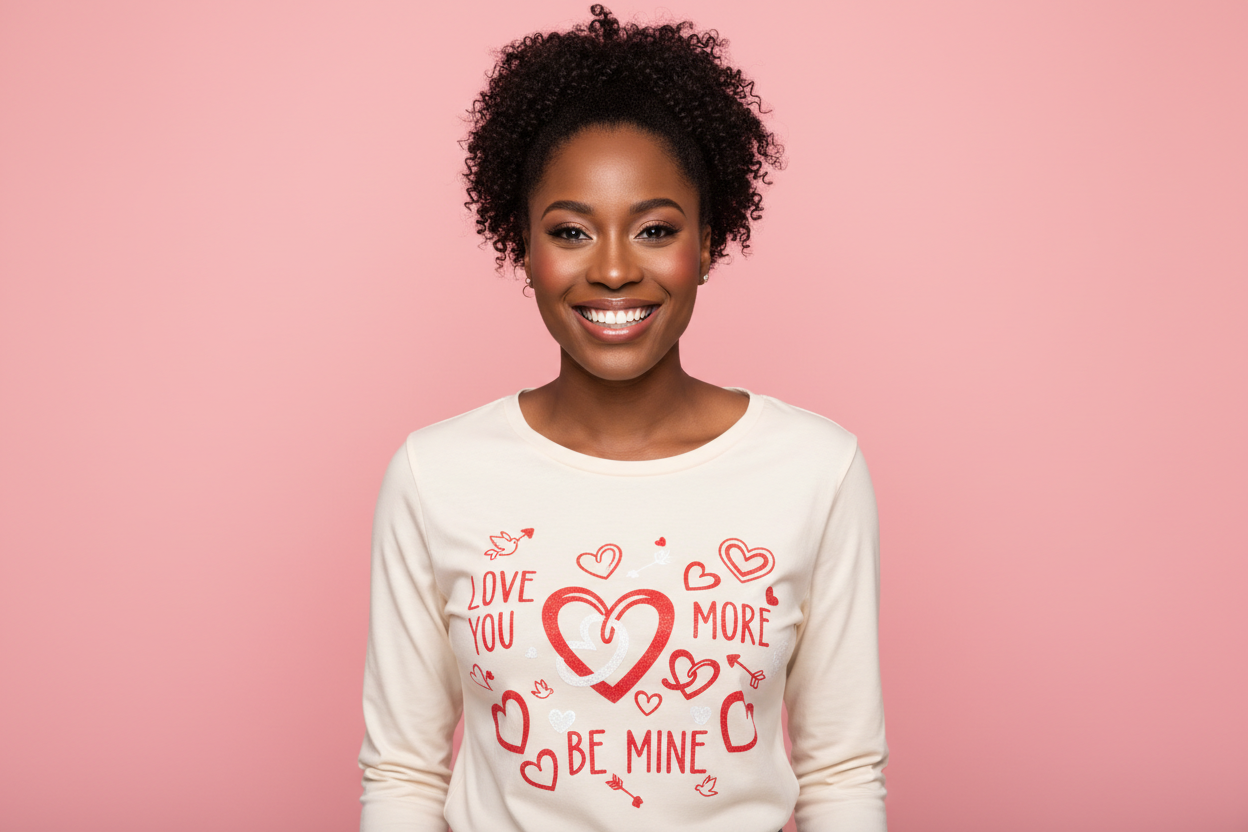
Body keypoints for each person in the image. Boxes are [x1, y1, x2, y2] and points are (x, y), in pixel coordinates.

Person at [358, 7, 887, 831]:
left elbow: (843, 772)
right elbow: (402, 773)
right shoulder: (436, 475)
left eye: (654, 230)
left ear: (707, 244)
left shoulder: (816, 470)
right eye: (570, 231)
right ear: (522, 247)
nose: (611, 269)